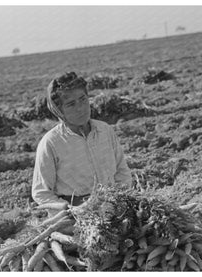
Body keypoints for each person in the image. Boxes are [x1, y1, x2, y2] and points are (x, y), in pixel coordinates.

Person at [32, 72, 132, 209]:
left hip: (113, 206)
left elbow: (122, 172)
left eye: (83, 99)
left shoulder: (105, 131)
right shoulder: (51, 143)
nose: (80, 108)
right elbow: (41, 192)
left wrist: (120, 200)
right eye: (71, 104)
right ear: (59, 111)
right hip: (75, 215)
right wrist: (70, 210)